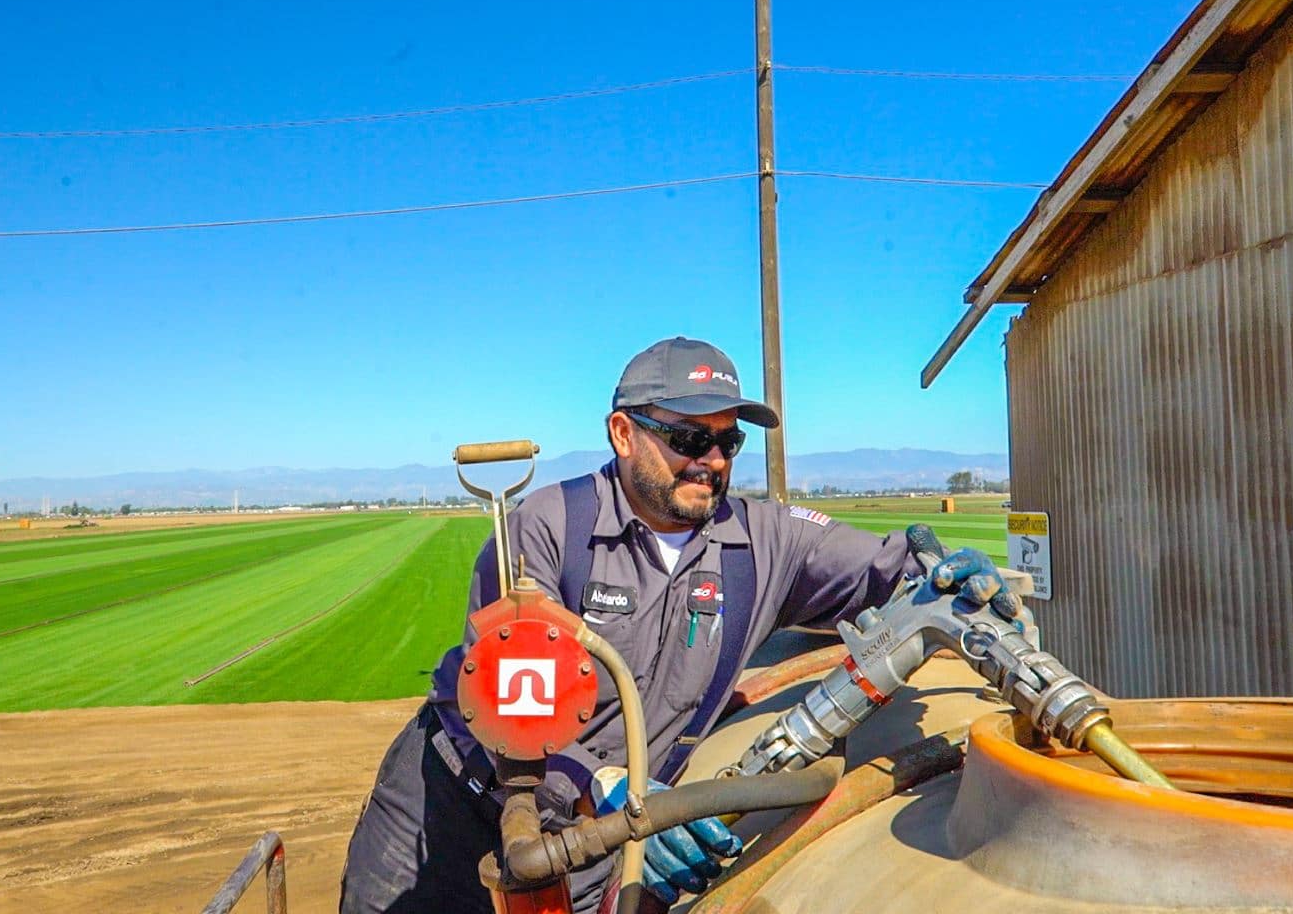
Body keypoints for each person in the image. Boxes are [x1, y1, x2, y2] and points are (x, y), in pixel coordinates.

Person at [339, 336, 1009, 913]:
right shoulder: (547, 528)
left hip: (613, 830)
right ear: (622, 434)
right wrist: (613, 795)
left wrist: (943, 574)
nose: (711, 461)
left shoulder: (765, 541)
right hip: (457, 808)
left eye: (727, 441)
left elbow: (885, 571)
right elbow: (511, 707)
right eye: (689, 438)